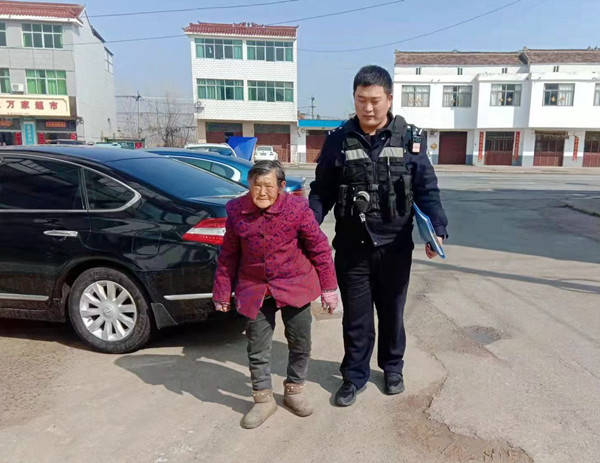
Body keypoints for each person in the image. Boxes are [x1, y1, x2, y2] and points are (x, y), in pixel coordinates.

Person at [309, 65, 448, 407]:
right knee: (356, 319)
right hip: (352, 248)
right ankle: (354, 376)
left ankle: (392, 368)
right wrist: (307, 227)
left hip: (395, 246)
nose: (368, 108)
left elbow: (426, 188)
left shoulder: (410, 139)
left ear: (389, 99)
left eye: (374, 100)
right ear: (354, 99)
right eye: (361, 100)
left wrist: (437, 228)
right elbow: (321, 191)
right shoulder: (338, 140)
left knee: (392, 314)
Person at [212, 160, 338, 429]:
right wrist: (222, 291)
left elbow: (319, 247)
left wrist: (329, 289)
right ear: (249, 185)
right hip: (255, 286)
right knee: (257, 346)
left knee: (300, 341)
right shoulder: (236, 210)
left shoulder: (297, 209)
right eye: (256, 185)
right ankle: (263, 399)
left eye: (268, 186)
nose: (261, 192)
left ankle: (294, 389)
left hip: (295, 283)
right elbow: (229, 255)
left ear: (281, 186)